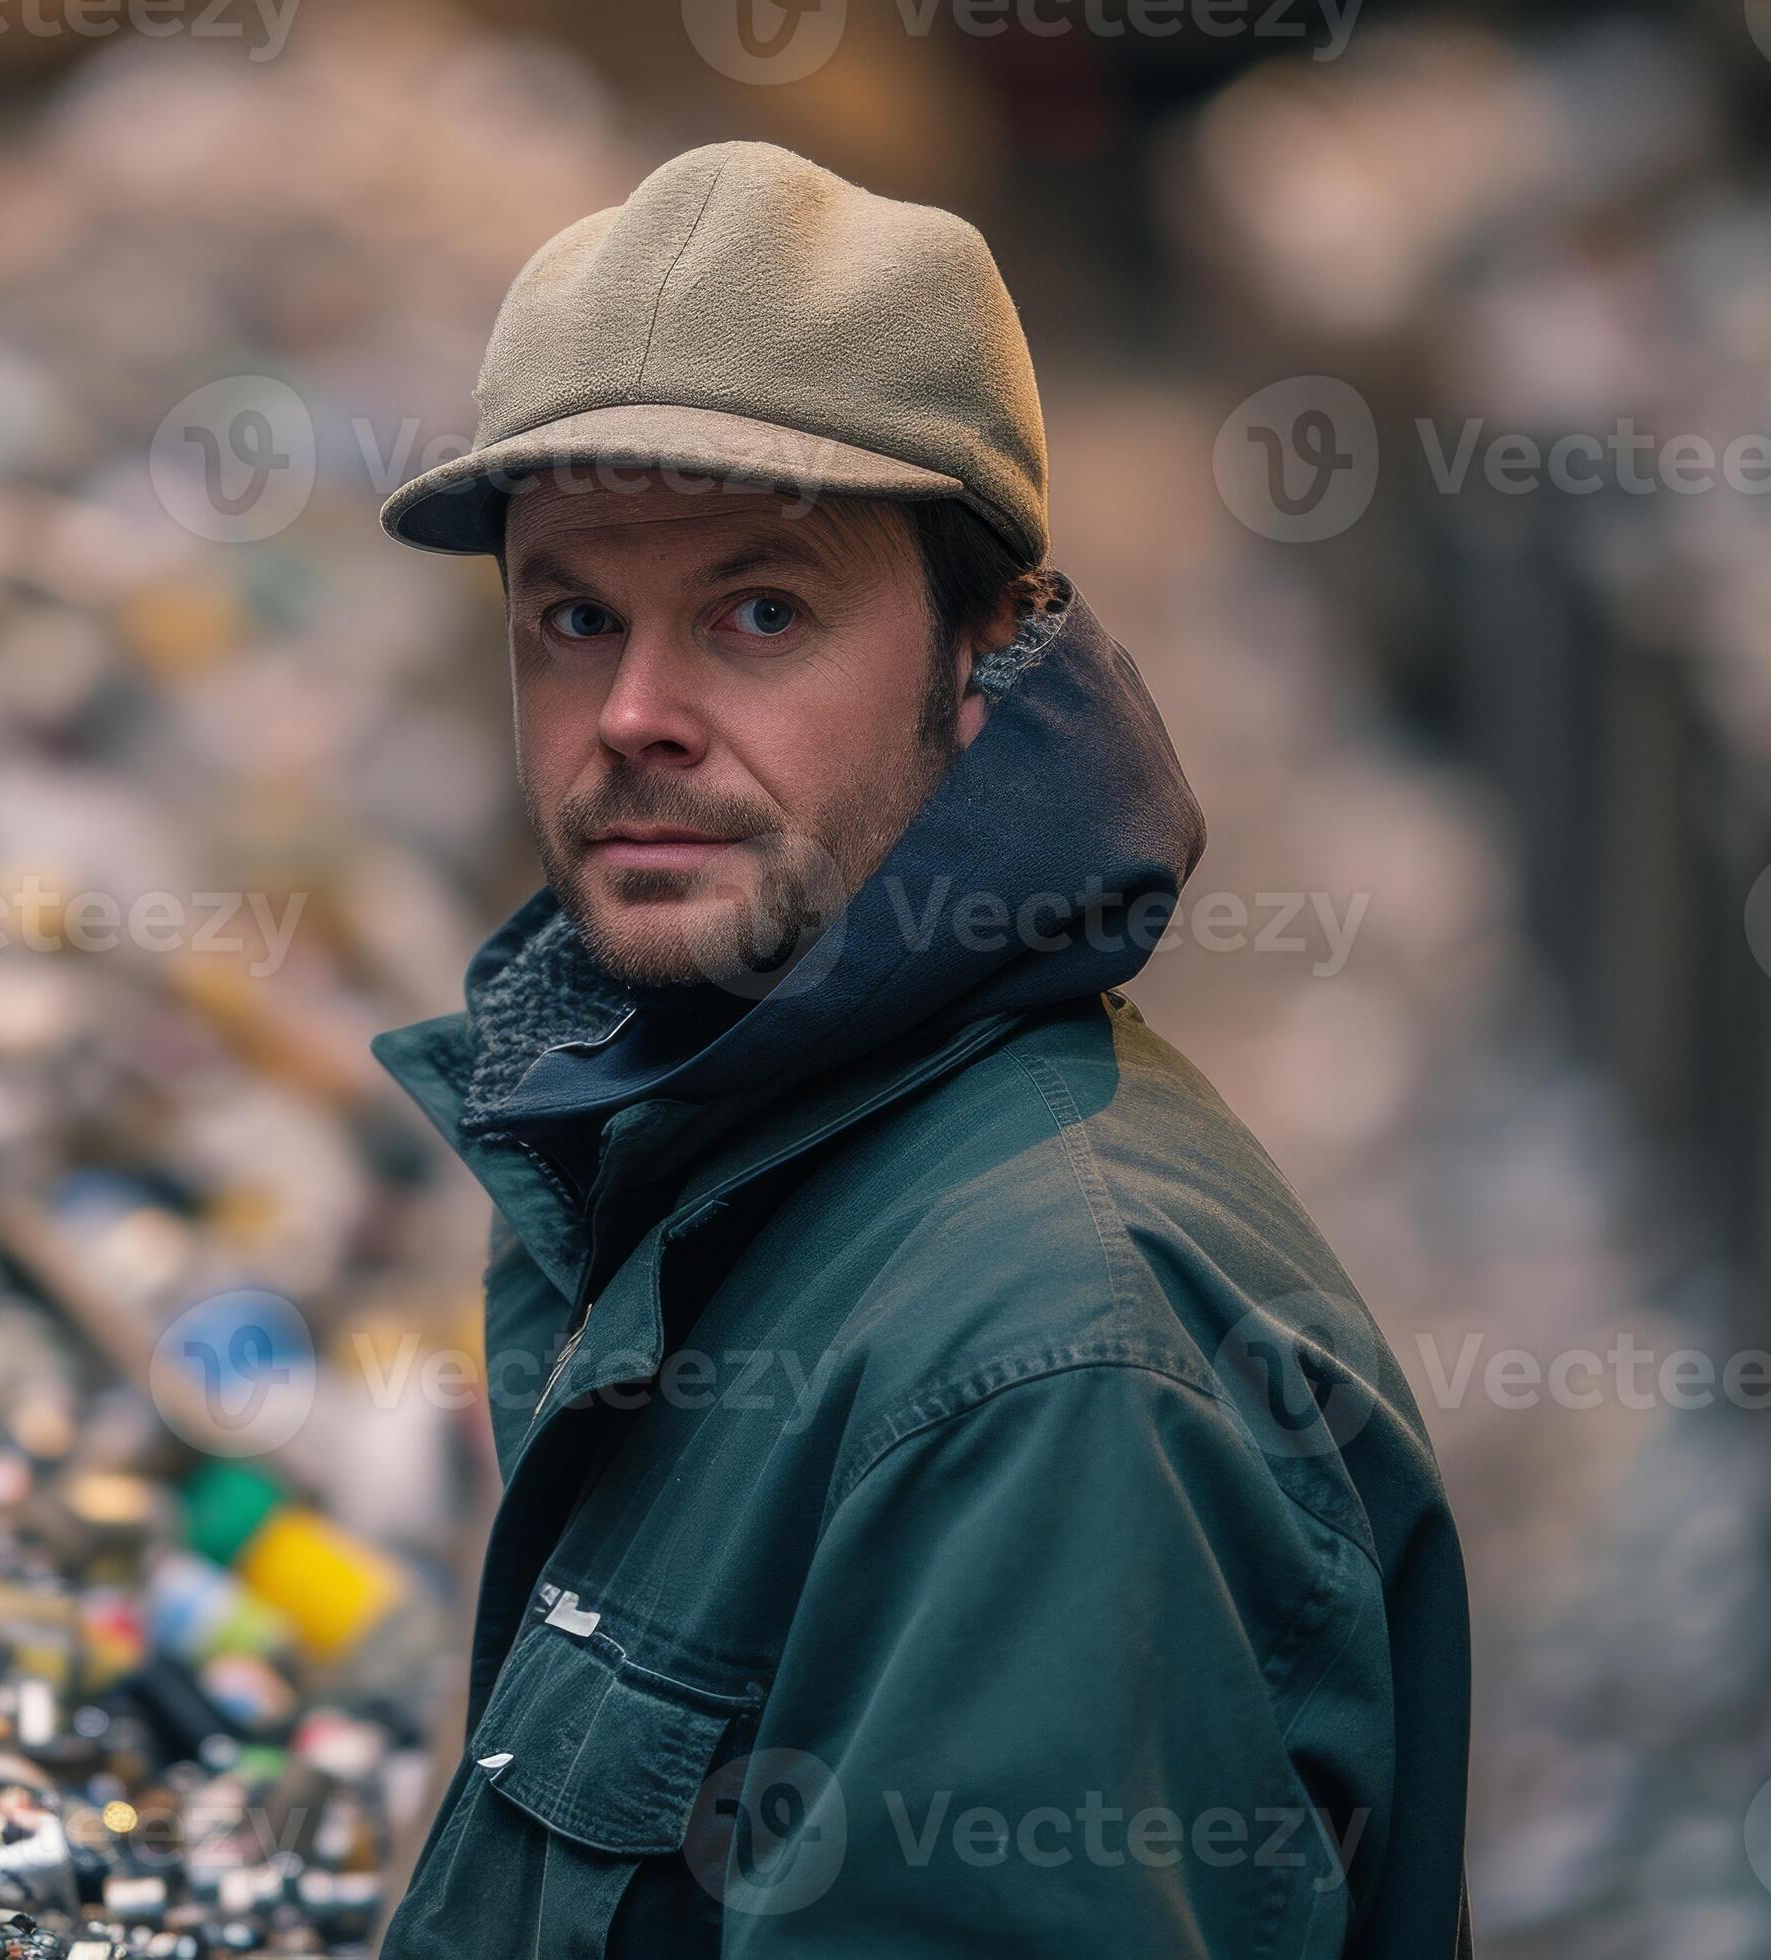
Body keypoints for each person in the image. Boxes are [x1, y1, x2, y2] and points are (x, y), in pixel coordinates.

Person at [369, 140, 1471, 1957]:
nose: (634, 715)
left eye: (759, 612)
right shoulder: (740, 1146)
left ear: (985, 654)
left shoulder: (1060, 1376)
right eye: (574, 617)